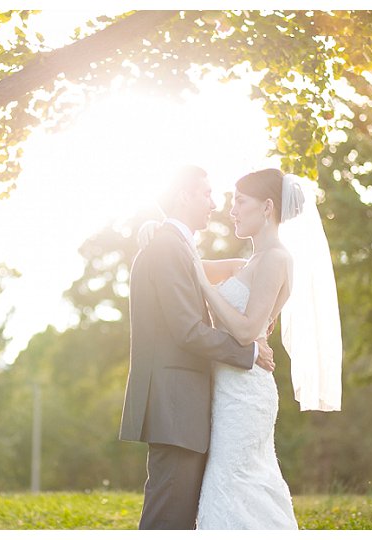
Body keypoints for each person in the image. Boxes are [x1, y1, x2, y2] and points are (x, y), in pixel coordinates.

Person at [178, 167, 342, 529]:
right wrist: (157, 231)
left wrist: (206, 289)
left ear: (267, 207)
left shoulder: (278, 259)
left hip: (246, 395)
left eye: (240, 201)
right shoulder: (248, 263)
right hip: (227, 390)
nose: (231, 209)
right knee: (234, 484)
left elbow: (247, 329)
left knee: (232, 483)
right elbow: (185, 263)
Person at [118, 165, 276, 530]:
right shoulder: (167, 247)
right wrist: (249, 353)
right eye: (206, 193)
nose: (214, 202)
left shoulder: (176, 245)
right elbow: (187, 331)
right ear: (183, 195)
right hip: (175, 405)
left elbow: (238, 272)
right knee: (167, 519)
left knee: (178, 516)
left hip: (184, 406)